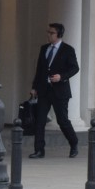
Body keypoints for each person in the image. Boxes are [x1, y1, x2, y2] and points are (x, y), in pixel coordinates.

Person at [30, 22, 80, 158]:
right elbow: (39, 70)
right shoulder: (44, 48)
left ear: (59, 34)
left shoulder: (68, 49)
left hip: (60, 91)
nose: (49, 35)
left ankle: (74, 143)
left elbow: (75, 68)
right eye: (48, 32)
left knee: (62, 120)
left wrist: (61, 77)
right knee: (40, 121)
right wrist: (34, 87)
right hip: (44, 90)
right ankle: (39, 150)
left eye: (52, 33)